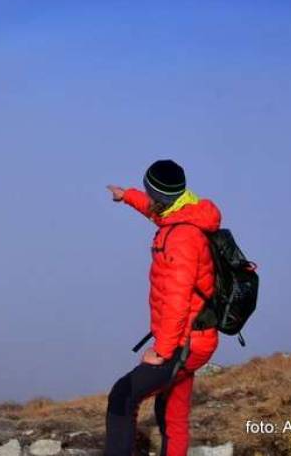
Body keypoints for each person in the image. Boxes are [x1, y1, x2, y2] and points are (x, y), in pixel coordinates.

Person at [104, 160, 220, 456]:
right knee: (172, 408)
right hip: (198, 335)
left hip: (184, 342)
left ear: (159, 196)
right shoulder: (186, 214)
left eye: (147, 191)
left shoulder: (182, 238)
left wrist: (163, 352)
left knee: (122, 397)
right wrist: (128, 195)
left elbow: (177, 300)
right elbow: (158, 212)